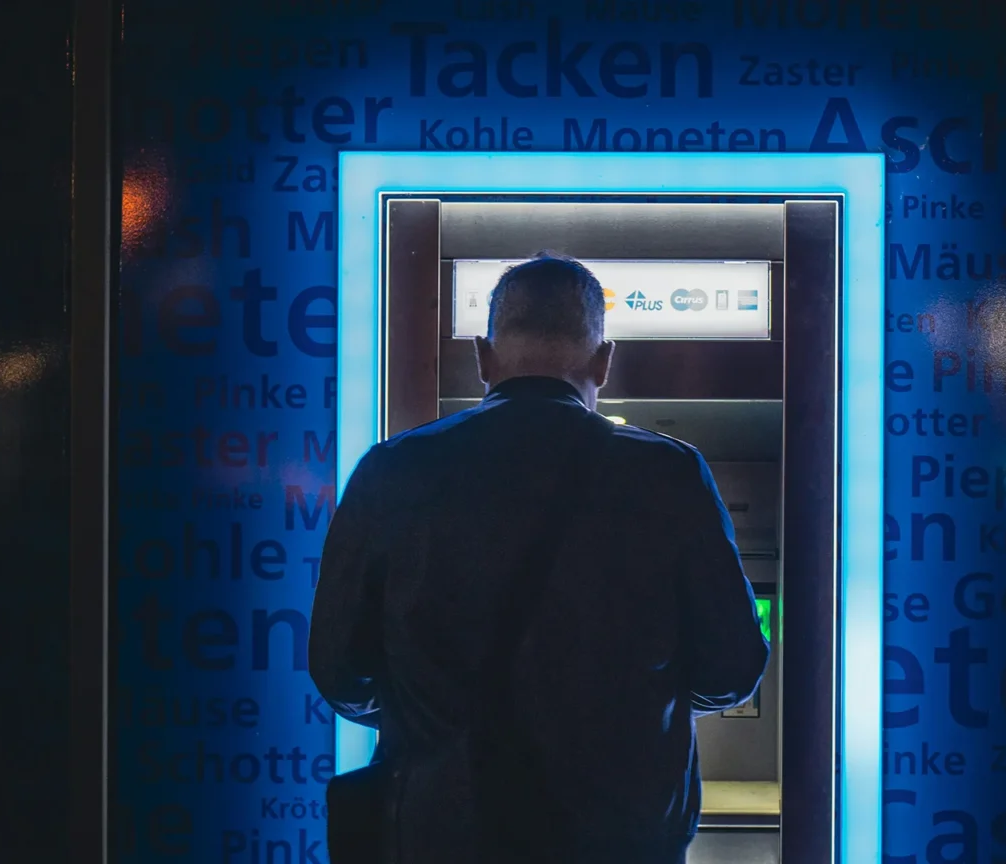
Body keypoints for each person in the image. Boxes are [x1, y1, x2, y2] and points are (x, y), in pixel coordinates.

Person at [309, 253, 770, 864]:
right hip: (621, 841)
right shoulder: (669, 475)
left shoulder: (393, 469)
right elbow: (732, 669)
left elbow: (340, 671)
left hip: (443, 835)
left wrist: (432, 725)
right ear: (604, 362)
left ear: (483, 356)